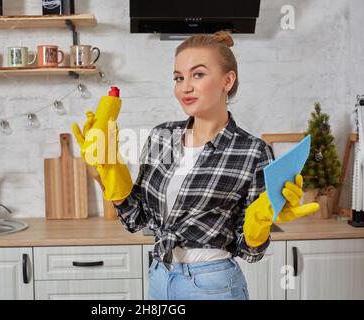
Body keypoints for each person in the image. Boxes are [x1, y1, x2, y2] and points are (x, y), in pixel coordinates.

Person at [72, 31, 319, 300]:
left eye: (198, 74)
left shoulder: (252, 151)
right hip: (160, 276)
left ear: (227, 80)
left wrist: (257, 224)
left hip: (213, 284)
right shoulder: (161, 136)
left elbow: (251, 251)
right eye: (179, 77)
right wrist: (109, 171)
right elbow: (137, 219)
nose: (184, 87)